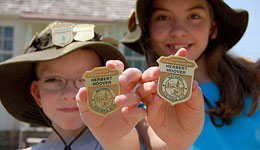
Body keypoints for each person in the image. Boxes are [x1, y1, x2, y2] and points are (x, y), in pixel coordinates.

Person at [121, 0, 260, 149]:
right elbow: (162, 144)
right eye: (162, 17)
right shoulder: (141, 97)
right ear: (148, 30)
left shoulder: (255, 81)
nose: (178, 31)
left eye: (194, 16)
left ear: (213, 28)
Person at [0, 21, 145, 150]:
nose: (70, 94)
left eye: (85, 79)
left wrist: (119, 137)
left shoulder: (123, 141)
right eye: (53, 80)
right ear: (37, 94)